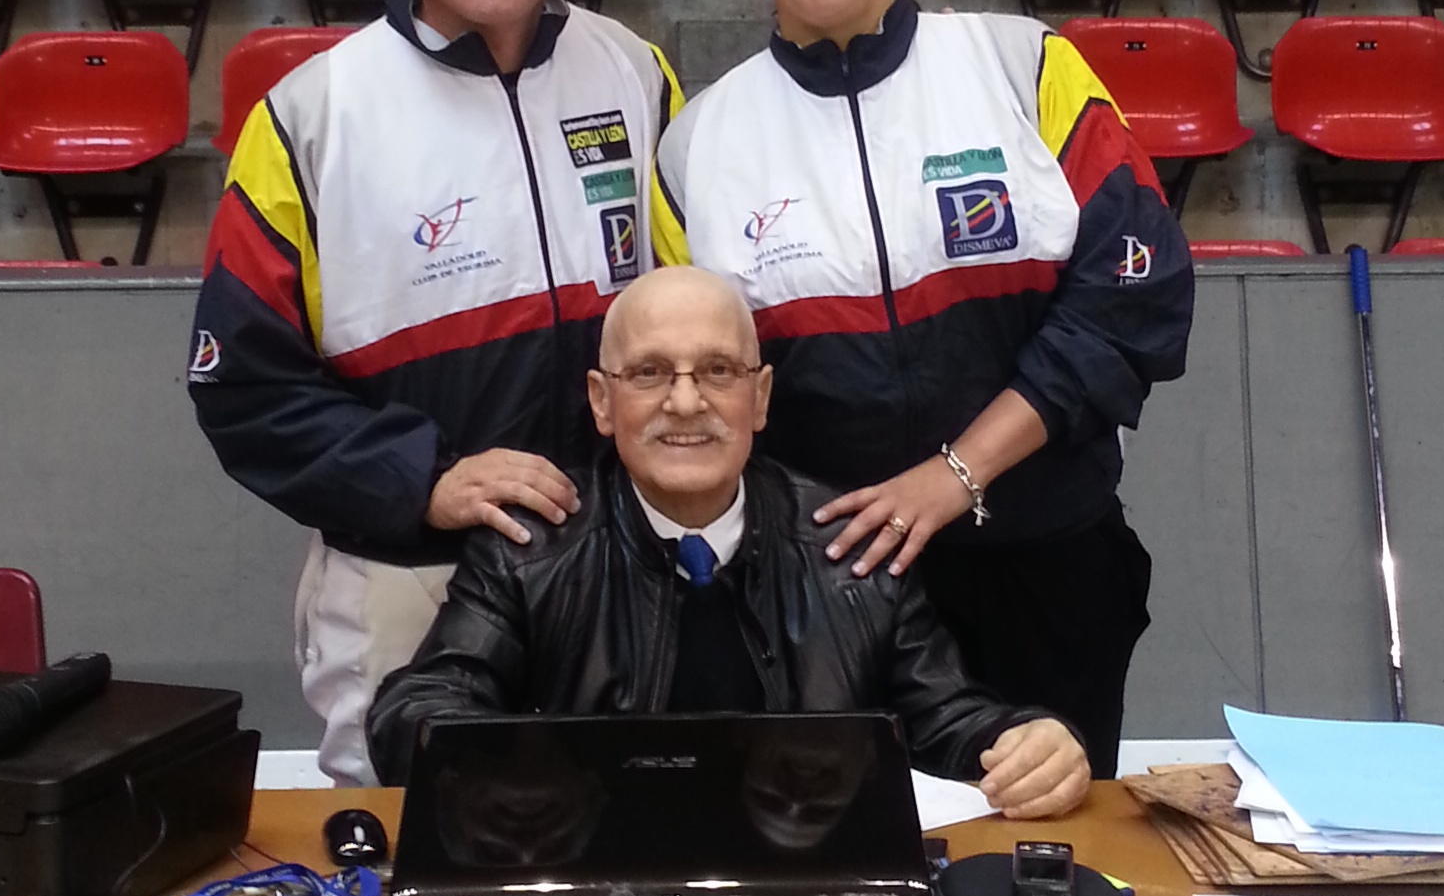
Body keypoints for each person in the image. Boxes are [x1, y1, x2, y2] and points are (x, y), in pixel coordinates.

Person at [650, 0, 1194, 777]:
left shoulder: (1025, 68)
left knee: (1044, 842)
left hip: (1045, 564)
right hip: (827, 592)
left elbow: (1131, 298)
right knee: (849, 855)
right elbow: (696, 382)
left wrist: (955, 474)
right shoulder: (697, 146)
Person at [188, 0, 681, 782]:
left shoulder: (632, 73)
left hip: (617, 571)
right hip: (411, 587)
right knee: (408, 858)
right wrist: (425, 480)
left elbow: (694, 313)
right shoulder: (312, 117)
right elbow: (242, 386)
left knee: (624, 839)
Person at [367, 265, 1090, 820]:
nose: (686, 402)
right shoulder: (529, 549)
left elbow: (952, 722)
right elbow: (417, 710)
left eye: (718, 370)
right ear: (601, 401)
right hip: (599, 889)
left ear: (761, 397)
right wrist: (526, 767)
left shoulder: (852, 550)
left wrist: (1029, 742)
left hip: (805, 891)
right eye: (649, 373)